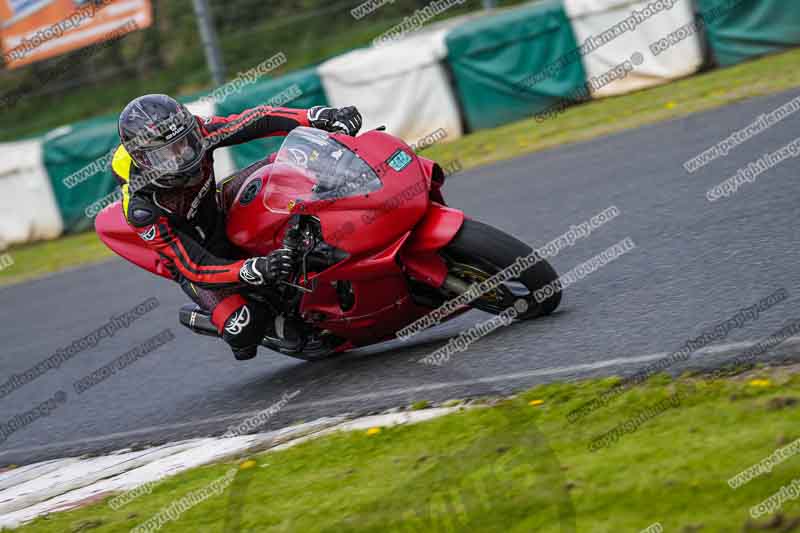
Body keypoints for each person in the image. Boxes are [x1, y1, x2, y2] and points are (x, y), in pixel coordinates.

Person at [111, 94, 362, 360]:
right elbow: (194, 266)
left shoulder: (197, 130)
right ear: (144, 159)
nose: (183, 154)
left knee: (291, 167)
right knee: (243, 330)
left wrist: (315, 117)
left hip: (217, 206)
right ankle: (219, 317)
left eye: (184, 143)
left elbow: (253, 120)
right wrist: (252, 268)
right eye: (167, 153)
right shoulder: (141, 207)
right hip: (197, 257)